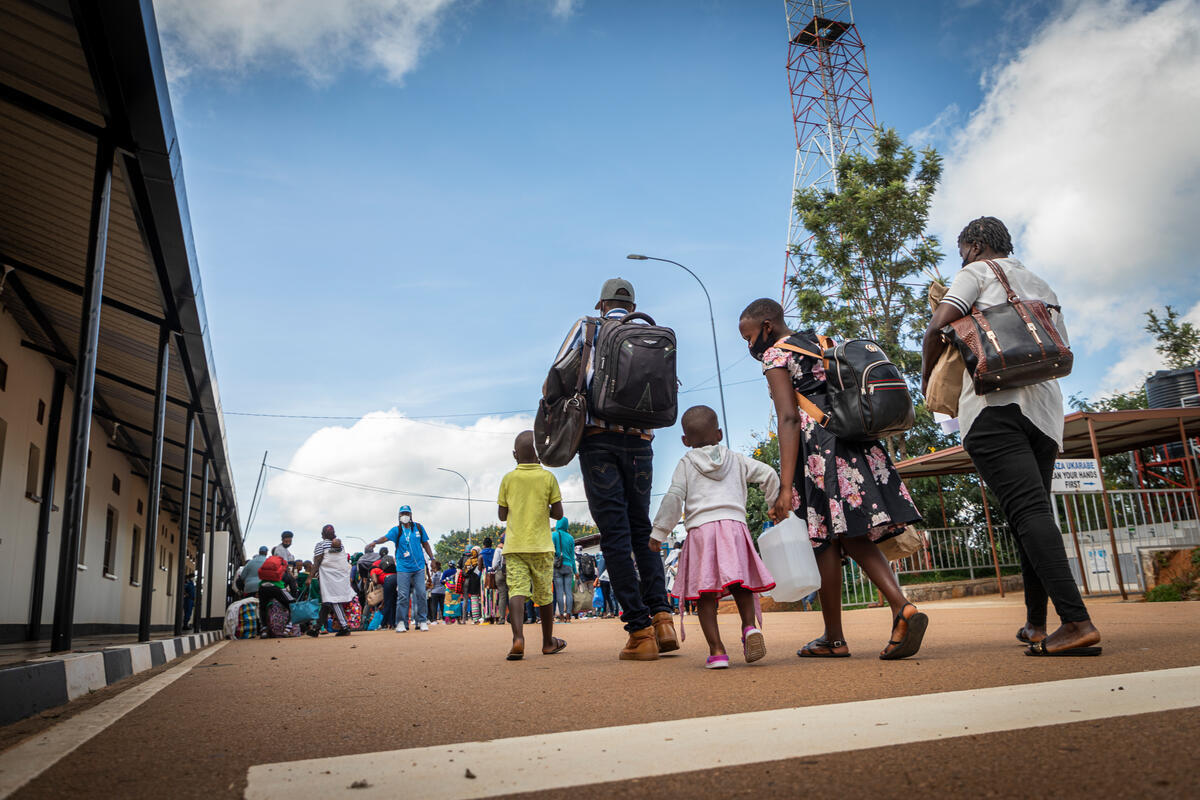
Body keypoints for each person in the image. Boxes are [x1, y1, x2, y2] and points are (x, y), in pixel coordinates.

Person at [922, 216, 1101, 657]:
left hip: (991, 407)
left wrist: (926, 378)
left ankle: (1076, 622)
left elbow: (937, 327)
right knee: (1032, 515)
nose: (959, 257)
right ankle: (1037, 624)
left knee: (1027, 515)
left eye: (962, 249)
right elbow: (1055, 345)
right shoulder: (1042, 285)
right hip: (1043, 413)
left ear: (976, 246)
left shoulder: (975, 273)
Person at [739, 297, 928, 660]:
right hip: (854, 441)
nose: (749, 346)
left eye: (748, 337)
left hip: (819, 452)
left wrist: (785, 483)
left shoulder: (775, 355)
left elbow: (789, 419)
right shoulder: (822, 342)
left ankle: (863, 624)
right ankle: (858, 625)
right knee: (844, 536)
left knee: (826, 538)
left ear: (766, 326)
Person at [554, 278, 677, 660]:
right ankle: (662, 617)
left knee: (616, 535)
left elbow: (558, 374)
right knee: (642, 529)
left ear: (602, 303)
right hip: (642, 443)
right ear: (632, 304)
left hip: (599, 441)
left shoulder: (588, 327)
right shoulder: (652, 333)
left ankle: (639, 632)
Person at [651, 405, 781, 668]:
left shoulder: (686, 463)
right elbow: (769, 474)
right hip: (734, 529)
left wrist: (659, 532)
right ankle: (748, 628)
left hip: (701, 533)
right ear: (719, 434)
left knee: (705, 594)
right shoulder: (736, 459)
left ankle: (718, 651)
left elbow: (674, 498)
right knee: (741, 585)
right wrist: (773, 505)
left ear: (685, 441)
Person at [497, 430, 567, 660]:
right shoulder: (548, 478)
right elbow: (558, 514)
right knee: (544, 594)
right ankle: (548, 642)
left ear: (514, 454)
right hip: (541, 547)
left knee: (516, 590)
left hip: (515, 546)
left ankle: (518, 639)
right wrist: (541, 507)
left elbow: (502, 515)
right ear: (540, 455)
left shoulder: (508, 479)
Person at [367, 506, 434, 632]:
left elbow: (425, 543)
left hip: (418, 567)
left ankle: (423, 620)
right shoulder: (396, 530)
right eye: (402, 513)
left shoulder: (418, 528)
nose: (405, 515)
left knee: (421, 593)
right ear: (399, 516)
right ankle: (401, 622)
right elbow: (385, 538)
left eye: (407, 513)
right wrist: (375, 542)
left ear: (411, 514)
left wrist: (432, 558)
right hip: (403, 568)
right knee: (403, 595)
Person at [309, 525, 355, 637]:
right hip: (341, 576)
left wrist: (310, 577)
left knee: (333, 600)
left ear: (322, 534)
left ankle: (345, 627)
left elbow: (317, 562)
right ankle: (316, 628)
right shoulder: (341, 545)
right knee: (327, 603)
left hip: (329, 577)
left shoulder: (321, 545)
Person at [551, 519, 576, 623]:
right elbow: (572, 556)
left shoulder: (554, 535)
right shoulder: (570, 538)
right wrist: (575, 571)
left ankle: (561, 617)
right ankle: (569, 616)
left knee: (560, 592)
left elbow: (551, 551)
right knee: (569, 592)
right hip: (569, 566)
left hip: (557, 566)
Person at [463, 547, 483, 623]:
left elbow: (466, 571)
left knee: (474, 600)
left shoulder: (468, 561)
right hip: (480, 580)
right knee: (482, 600)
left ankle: (475, 619)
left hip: (472, 582)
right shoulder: (480, 559)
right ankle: (483, 616)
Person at [427, 559, 446, 623]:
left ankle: (434, 620)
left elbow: (432, 584)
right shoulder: (443, 574)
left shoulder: (434, 575)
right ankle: (444, 619)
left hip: (434, 592)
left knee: (434, 606)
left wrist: (429, 589)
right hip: (442, 592)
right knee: (442, 606)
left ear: (435, 568)